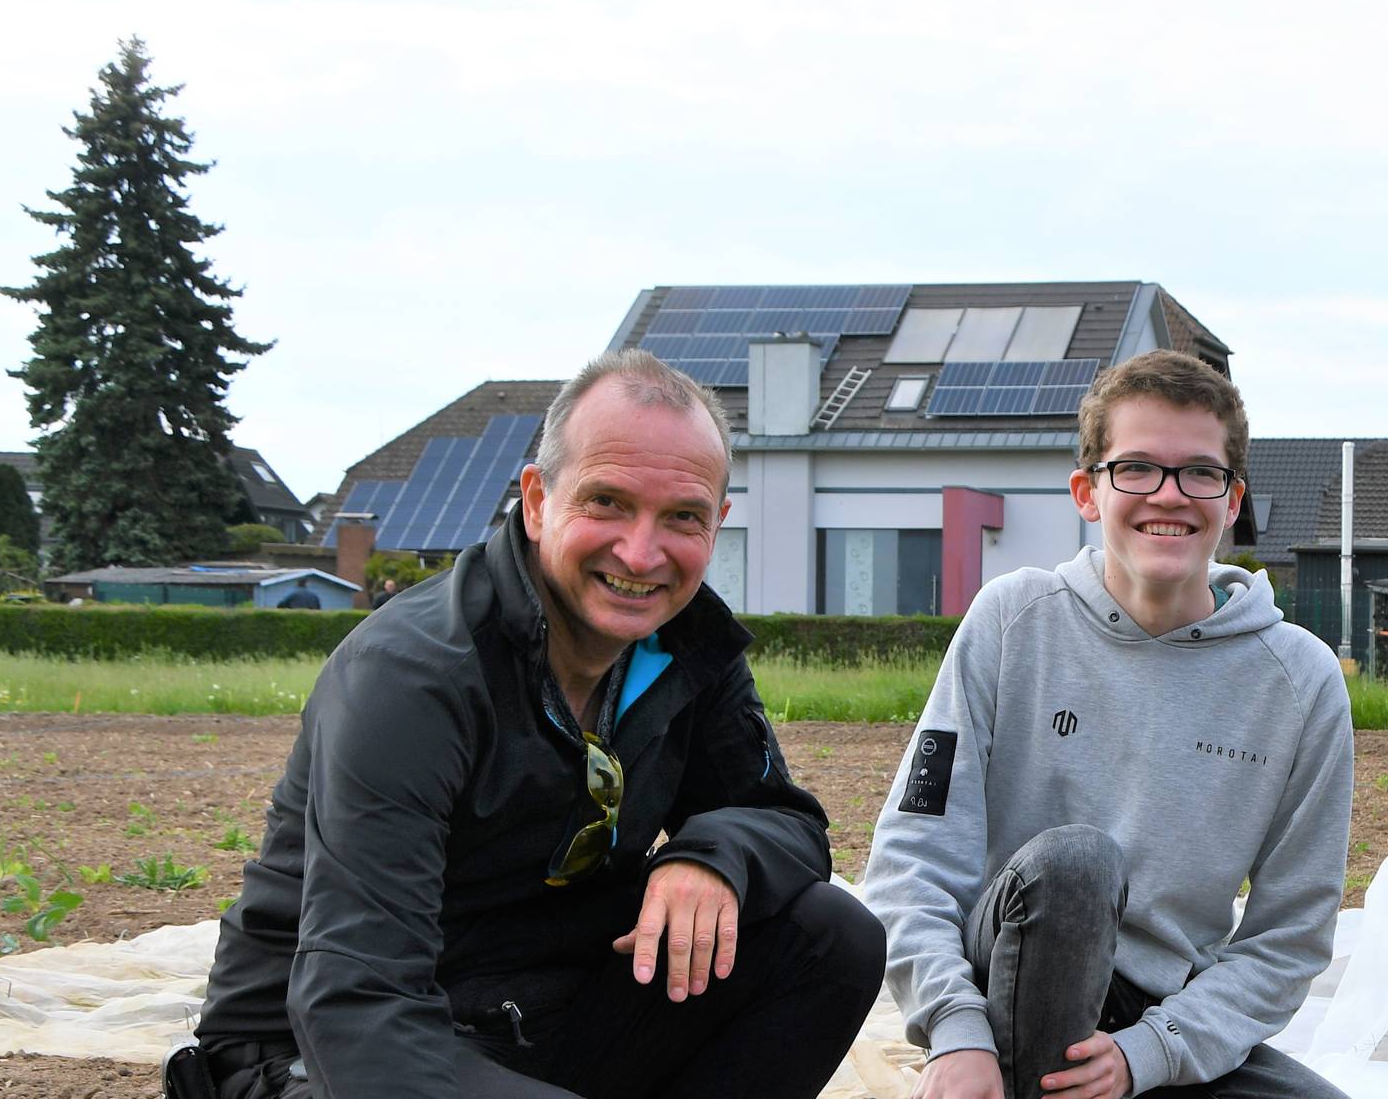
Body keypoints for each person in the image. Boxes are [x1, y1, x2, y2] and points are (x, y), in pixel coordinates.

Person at [186, 351, 883, 1099]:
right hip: (325, 1049)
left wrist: (713, 856)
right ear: (538, 498)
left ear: (718, 522)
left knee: (828, 937)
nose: (641, 554)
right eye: (607, 502)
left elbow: (785, 820)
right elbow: (359, 998)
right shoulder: (415, 674)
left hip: (538, 1016)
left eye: (681, 516)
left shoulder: (685, 647)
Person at [863, 349, 1353, 1099]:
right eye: (1136, 469)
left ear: (1232, 499)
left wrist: (1147, 1055)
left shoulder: (1300, 680)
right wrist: (955, 1031)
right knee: (1076, 866)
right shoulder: (1011, 621)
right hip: (1009, 988)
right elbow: (913, 855)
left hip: (1161, 1020)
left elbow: (1288, 937)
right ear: (1087, 492)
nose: (1170, 494)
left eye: (1199, 472)